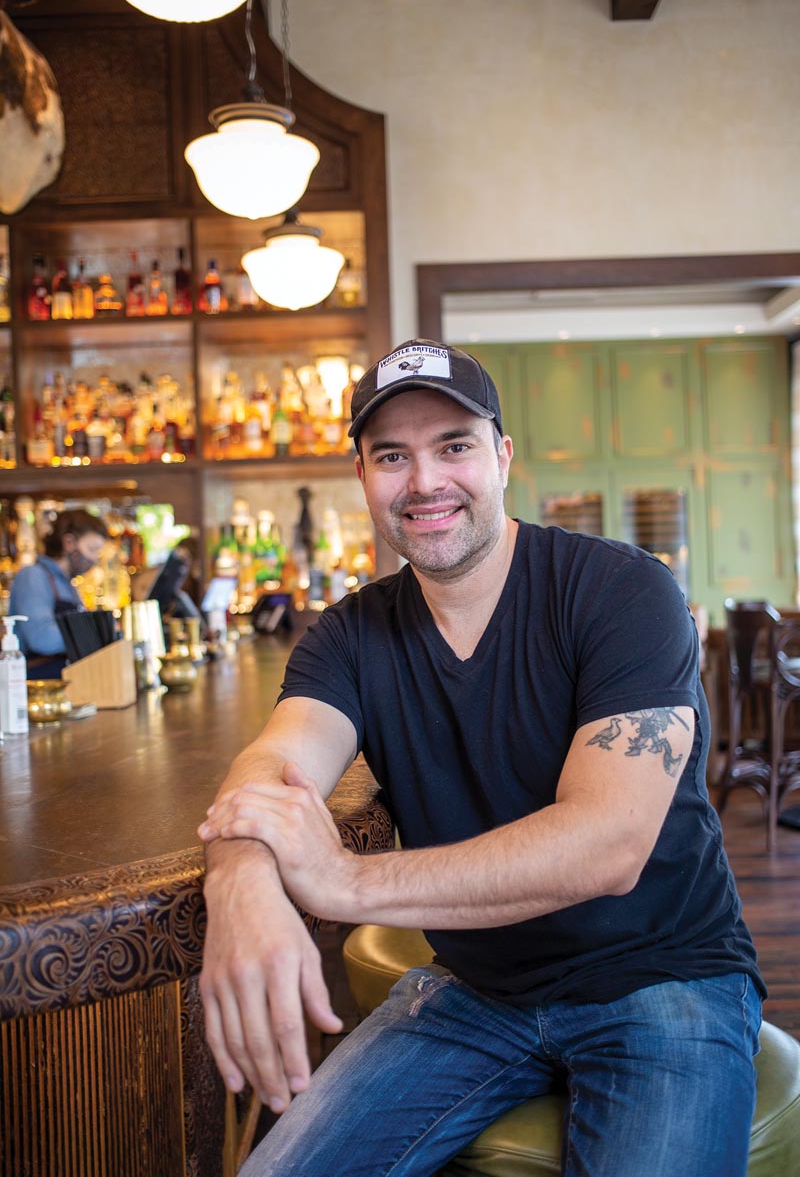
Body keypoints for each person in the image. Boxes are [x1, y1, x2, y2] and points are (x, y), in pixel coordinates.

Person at [197, 339, 764, 1177]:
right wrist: (239, 883)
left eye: (453, 445)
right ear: (362, 476)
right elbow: (271, 766)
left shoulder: (621, 591)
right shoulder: (350, 634)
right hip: (479, 989)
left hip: (664, 978)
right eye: (393, 455)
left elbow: (607, 844)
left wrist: (343, 881)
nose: (425, 481)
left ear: (501, 456)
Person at [8, 507, 108, 678]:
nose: (94, 559)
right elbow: (41, 638)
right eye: (92, 549)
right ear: (69, 542)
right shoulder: (33, 575)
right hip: (39, 685)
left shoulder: (68, 584)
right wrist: (96, 632)